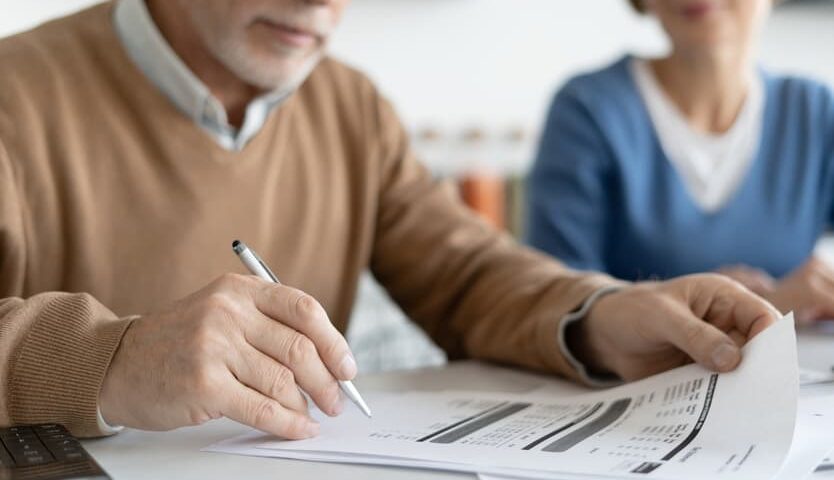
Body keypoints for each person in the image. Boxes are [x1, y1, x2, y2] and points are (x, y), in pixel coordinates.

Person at [0, 0, 778, 441]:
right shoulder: (16, 94)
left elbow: (467, 273)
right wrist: (110, 358)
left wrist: (600, 313)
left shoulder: (351, 106)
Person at [527, 0, 834, 323]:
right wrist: (758, 307)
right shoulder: (587, 111)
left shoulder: (813, 111)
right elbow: (558, 304)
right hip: (638, 373)